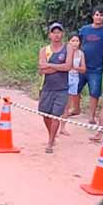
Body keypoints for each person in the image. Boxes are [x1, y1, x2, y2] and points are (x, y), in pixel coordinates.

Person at [73, 7, 103, 125]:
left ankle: (91, 116)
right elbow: (76, 44)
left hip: (96, 67)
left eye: (101, 15)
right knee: (74, 88)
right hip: (81, 65)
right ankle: (76, 109)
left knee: (94, 92)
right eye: (97, 14)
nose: (99, 17)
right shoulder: (84, 30)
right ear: (93, 16)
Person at [37, 22, 74, 153]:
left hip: (62, 88)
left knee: (56, 115)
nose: (57, 35)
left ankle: (51, 141)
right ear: (50, 35)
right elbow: (41, 69)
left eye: (59, 32)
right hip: (46, 87)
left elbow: (68, 66)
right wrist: (58, 67)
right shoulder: (44, 50)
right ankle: (50, 135)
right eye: (54, 32)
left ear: (62, 34)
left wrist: (50, 65)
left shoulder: (68, 48)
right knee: (45, 114)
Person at [58, 34, 86, 137]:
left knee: (67, 106)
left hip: (74, 79)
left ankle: (62, 128)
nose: (75, 43)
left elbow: (83, 69)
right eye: (73, 40)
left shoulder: (81, 54)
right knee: (59, 103)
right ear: (69, 42)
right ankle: (54, 127)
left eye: (77, 41)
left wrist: (75, 68)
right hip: (64, 78)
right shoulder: (64, 52)